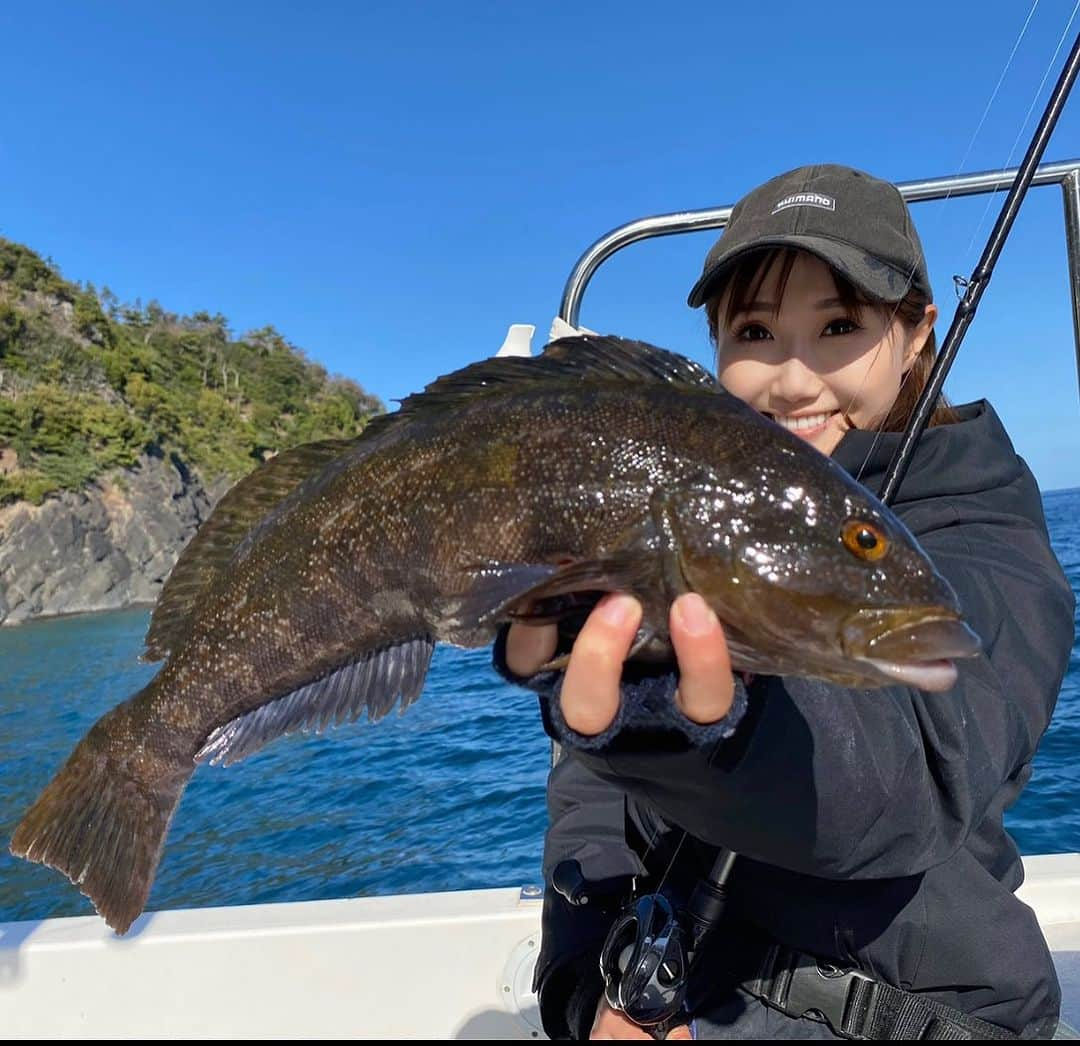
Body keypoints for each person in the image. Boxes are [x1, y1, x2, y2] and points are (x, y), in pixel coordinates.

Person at [495, 164, 1075, 1040]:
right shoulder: (689, 513)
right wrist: (588, 978)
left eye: (839, 326)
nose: (794, 380)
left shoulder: (983, 524)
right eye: (756, 331)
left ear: (917, 331)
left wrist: (710, 721)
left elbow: (907, 782)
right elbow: (590, 787)